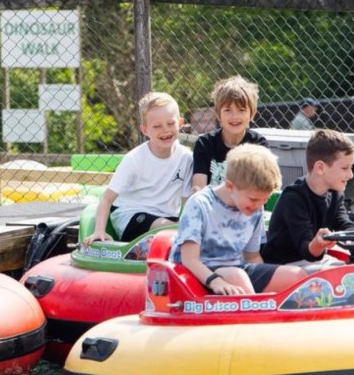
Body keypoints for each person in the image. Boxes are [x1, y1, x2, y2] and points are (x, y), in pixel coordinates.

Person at [170, 144, 305, 295]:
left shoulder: (255, 208)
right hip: (197, 275)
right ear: (230, 186)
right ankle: (256, 313)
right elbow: (189, 260)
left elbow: (252, 256)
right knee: (238, 277)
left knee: (296, 276)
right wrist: (215, 281)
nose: (258, 205)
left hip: (235, 269)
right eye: (253, 199)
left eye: (264, 201)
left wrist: (263, 283)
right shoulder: (200, 204)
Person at [83, 92, 193, 246]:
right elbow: (106, 199)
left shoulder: (187, 158)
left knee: (187, 229)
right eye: (157, 126)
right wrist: (99, 231)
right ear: (145, 129)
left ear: (180, 123)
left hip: (167, 219)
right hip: (132, 217)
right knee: (174, 229)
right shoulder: (134, 159)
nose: (165, 130)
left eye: (170, 123)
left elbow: (189, 202)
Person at [261, 129, 354, 269]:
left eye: (351, 168)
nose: (350, 175)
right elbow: (306, 249)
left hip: (314, 261)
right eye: (345, 168)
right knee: (339, 275)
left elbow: (343, 223)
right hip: (285, 265)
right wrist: (318, 244)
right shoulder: (294, 198)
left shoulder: (335, 194)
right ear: (320, 168)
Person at [192, 75, 268, 193]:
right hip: (212, 207)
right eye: (228, 110)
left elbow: (261, 186)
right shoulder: (205, 144)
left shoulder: (258, 144)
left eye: (241, 110)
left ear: (252, 114)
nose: (235, 117)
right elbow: (198, 188)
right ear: (218, 114)